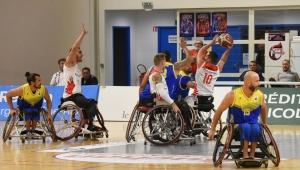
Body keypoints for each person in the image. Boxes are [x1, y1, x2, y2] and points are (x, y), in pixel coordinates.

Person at [208, 71, 267, 159]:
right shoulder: (232, 95)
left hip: (253, 123)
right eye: (257, 81)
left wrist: (264, 123)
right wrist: (212, 129)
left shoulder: (260, 95)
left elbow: (264, 109)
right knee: (246, 127)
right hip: (237, 125)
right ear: (248, 83)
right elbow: (219, 111)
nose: (259, 83)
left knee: (256, 128)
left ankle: (252, 154)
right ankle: (245, 154)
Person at [62, 24, 106, 132]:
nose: (82, 54)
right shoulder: (69, 63)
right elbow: (74, 49)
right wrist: (82, 35)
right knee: (91, 104)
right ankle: (83, 126)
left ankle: (86, 124)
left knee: (90, 105)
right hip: (71, 97)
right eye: (80, 52)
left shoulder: (76, 68)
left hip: (76, 96)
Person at [149, 44, 194, 135]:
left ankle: (155, 128)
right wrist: (184, 47)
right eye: (164, 62)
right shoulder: (173, 67)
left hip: (156, 99)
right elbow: (190, 59)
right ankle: (187, 130)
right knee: (184, 105)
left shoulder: (151, 70)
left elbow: (144, 86)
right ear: (163, 62)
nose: (165, 64)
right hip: (166, 99)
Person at [6, 72, 53, 137]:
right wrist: (11, 108)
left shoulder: (43, 89)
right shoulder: (22, 89)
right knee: (29, 111)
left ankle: (32, 131)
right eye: (39, 81)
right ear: (32, 83)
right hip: (24, 107)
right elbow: (8, 94)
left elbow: (48, 100)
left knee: (35, 111)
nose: (41, 83)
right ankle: (28, 131)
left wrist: (49, 113)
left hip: (36, 107)